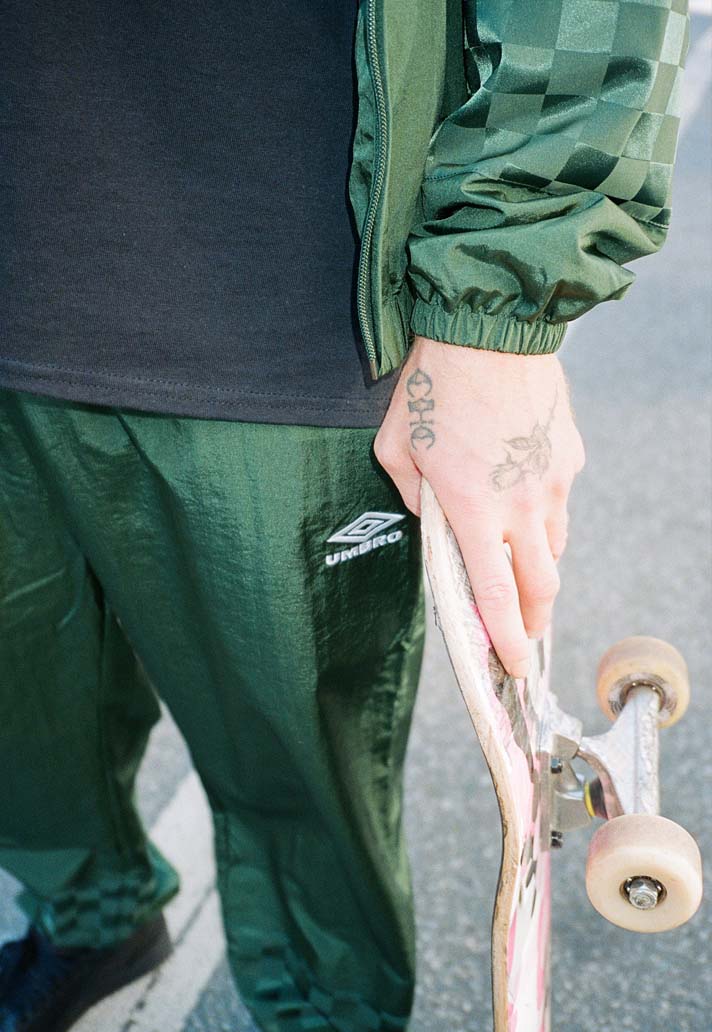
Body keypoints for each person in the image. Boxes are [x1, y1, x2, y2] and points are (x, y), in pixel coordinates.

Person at [0, 1, 689, 1030]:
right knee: (21, 705)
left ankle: (324, 1012)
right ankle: (94, 914)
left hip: (279, 297)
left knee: (298, 772)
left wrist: (502, 305)